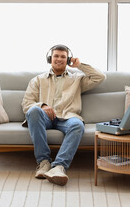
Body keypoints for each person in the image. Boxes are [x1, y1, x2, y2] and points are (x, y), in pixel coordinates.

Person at [21, 44, 106, 186]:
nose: (59, 59)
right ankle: (43, 163)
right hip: (45, 118)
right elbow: (26, 103)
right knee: (33, 111)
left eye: (63, 57)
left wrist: (79, 65)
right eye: (56, 56)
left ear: (68, 60)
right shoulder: (38, 80)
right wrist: (42, 105)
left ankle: (58, 167)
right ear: (50, 58)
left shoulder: (77, 79)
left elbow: (100, 77)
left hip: (67, 118)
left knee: (78, 125)